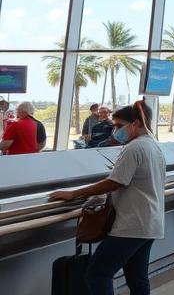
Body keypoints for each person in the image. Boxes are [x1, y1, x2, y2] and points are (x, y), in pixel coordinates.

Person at [49, 101, 165, 295]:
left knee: (97, 273)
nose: (116, 130)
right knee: (137, 277)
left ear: (135, 123)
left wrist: (74, 193)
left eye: (119, 126)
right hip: (150, 222)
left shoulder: (133, 148)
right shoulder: (153, 145)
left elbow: (115, 182)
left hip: (132, 225)